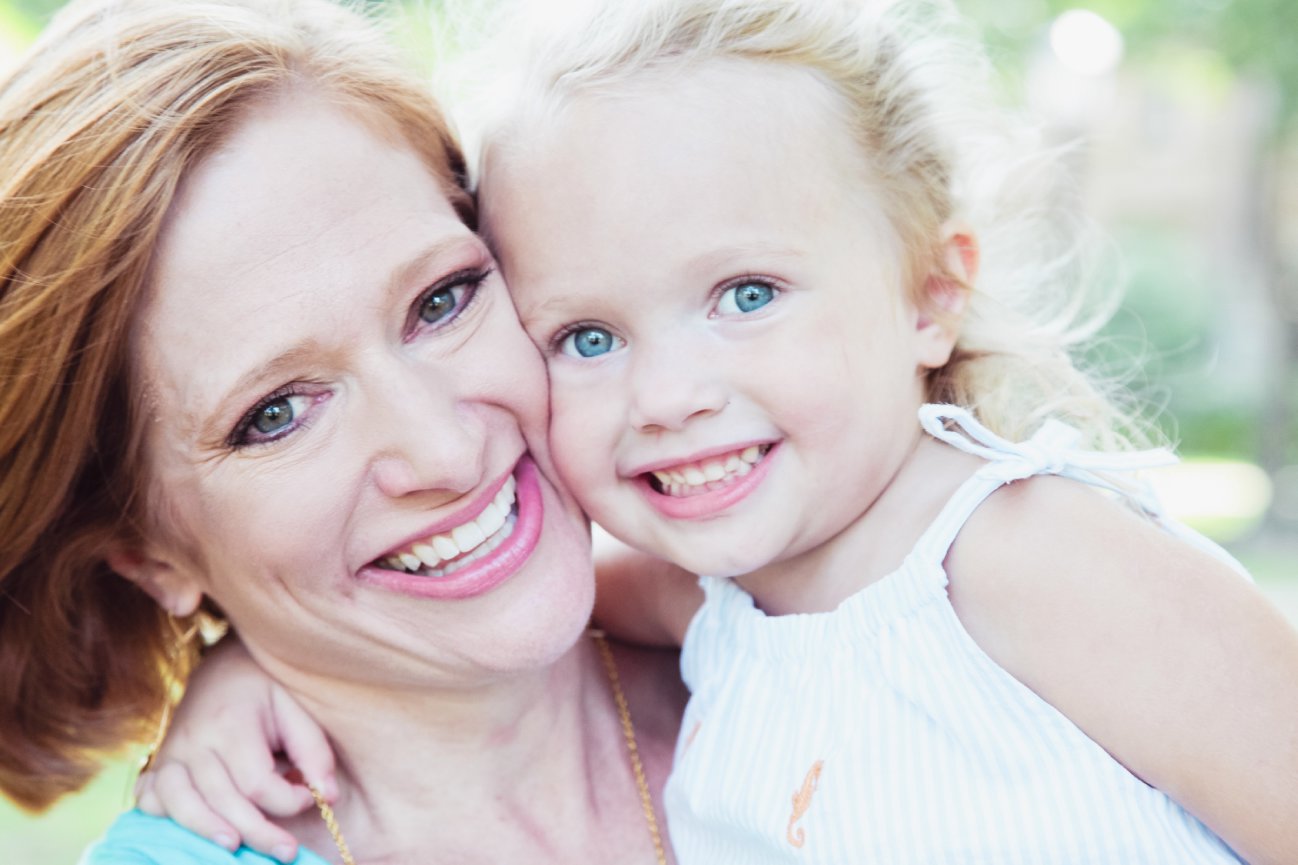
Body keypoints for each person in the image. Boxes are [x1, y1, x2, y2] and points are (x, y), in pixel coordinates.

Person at [142, 0, 1298, 862]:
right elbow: (472, 601)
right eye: (587, 335)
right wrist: (244, 658)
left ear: (928, 294)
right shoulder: (717, 600)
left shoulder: (1037, 559)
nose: (666, 396)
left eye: (745, 296)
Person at [0, 0, 687, 862]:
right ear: (147, 554)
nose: (444, 452)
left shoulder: (789, 609)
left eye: (442, 300)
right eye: (276, 415)